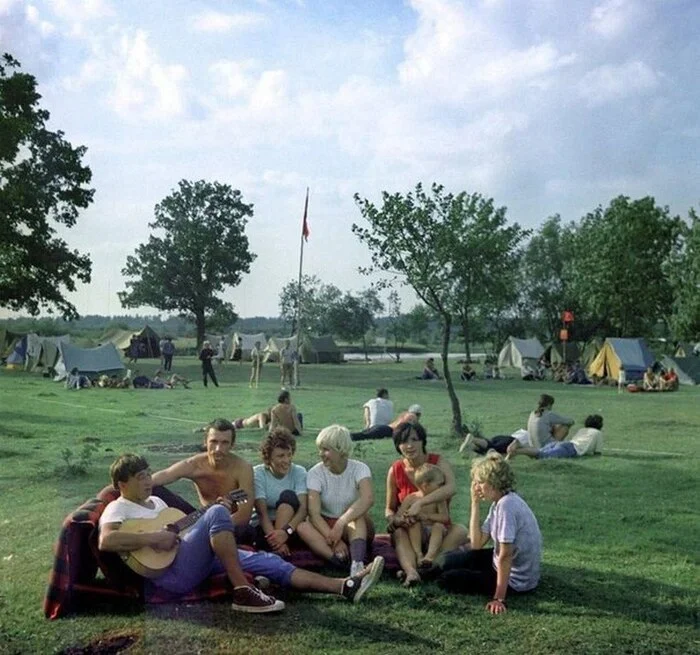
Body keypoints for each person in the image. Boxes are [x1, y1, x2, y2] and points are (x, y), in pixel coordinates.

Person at [99, 454, 384, 614]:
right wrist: (153, 539)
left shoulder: (156, 503)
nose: (149, 481)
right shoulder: (118, 507)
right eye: (141, 478)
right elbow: (107, 540)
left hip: (188, 558)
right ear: (121, 484)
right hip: (171, 576)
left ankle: (344, 586)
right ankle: (243, 593)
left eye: (149, 475)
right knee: (216, 513)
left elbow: (181, 527)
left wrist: (206, 515)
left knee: (270, 562)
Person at [433, 452, 542, 613]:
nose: (476, 487)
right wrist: (475, 503)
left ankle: (422, 574)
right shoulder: (498, 504)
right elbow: (476, 543)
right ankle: (417, 572)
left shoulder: (507, 506)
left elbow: (506, 555)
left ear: (494, 482)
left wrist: (499, 598)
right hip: (499, 561)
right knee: (445, 561)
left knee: (448, 579)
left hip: (516, 579)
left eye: (480, 482)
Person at [385, 423, 468, 587]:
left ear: (423, 441)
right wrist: (396, 520)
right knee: (399, 533)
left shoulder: (437, 462)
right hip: (412, 530)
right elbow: (389, 508)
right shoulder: (395, 470)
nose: (410, 445)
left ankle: (431, 563)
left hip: (438, 530)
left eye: (415, 439)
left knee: (461, 531)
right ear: (398, 446)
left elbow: (451, 488)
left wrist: (421, 503)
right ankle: (412, 572)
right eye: (404, 441)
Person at [152, 419, 255, 544]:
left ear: (232, 445)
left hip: (227, 523)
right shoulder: (195, 464)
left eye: (224, 443)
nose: (218, 449)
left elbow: (243, 516)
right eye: (214, 442)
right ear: (205, 442)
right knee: (153, 488)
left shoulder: (243, 469)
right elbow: (163, 475)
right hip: (198, 517)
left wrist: (211, 528)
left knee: (246, 531)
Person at [297, 425, 375, 577]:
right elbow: (314, 513)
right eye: (320, 449)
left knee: (356, 516)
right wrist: (334, 539)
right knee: (302, 527)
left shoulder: (360, 468)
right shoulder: (315, 473)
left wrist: (341, 523)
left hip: (351, 526)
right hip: (325, 526)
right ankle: (339, 563)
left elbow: (368, 499)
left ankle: (357, 564)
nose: (321, 454)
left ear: (341, 450)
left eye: (326, 449)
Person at [252, 428, 307, 556]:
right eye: (281, 456)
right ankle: (277, 549)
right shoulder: (258, 474)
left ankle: (276, 552)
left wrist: (285, 532)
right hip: (265, 528)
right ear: (268, 457)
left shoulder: (299, 472)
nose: (287, 460)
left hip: (289, 528)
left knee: (289, 496)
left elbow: (303, 509)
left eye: (289, 454)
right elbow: (262, 513)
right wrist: (276, 540)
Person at [395, 463, 450, 569]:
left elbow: (445, 517)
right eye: (440, 484)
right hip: (417, 535)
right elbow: (399, 516)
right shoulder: (411, 498)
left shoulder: (439, 499)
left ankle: (429, 556)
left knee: (438, 526)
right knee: (414, 524)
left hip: (434, 534)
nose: (442, 487)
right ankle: (418, 554)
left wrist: (427, 516)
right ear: (426, 485)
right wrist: (406, 518)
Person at [507, 415, 604, 460]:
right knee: (542, 455)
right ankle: (518, 450)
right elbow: (597, 453)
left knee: (539, 452)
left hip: (564, 444)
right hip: (570, 449)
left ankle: (519, 448)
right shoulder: (598, 433)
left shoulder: (582, 430)